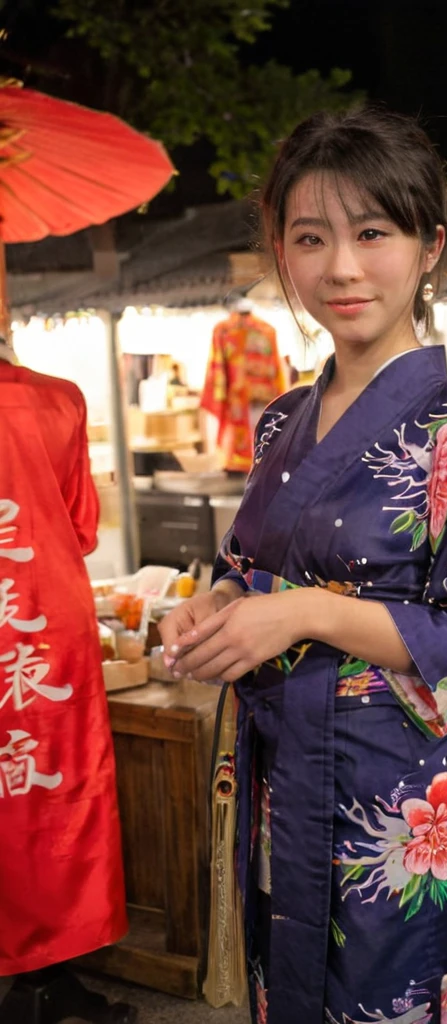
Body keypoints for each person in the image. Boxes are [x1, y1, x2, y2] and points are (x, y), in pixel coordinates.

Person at [159, 108, 447, 1024]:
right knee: (285, 983)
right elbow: (247, 562)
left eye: (373, 233)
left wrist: (301, 616)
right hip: (281, 772)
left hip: (391, 787)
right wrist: (210, 606)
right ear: (281, 253)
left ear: (429, 244)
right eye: (310, 237)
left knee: (386, 993)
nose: (343, 268)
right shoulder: (282, 419)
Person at [0, 341, 131, 1022]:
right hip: (41, 631)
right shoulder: (56, 398)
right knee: (55, 788)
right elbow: (80, 527)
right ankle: (47, 979)